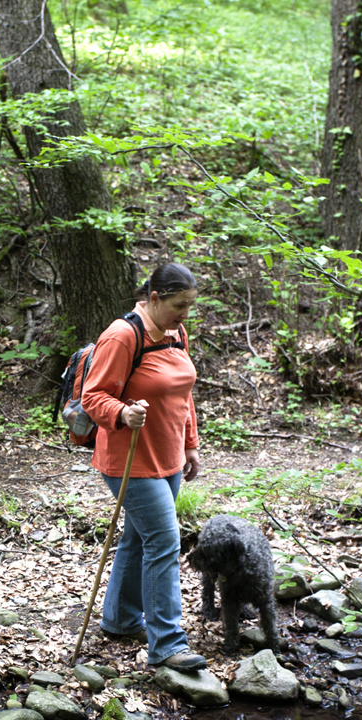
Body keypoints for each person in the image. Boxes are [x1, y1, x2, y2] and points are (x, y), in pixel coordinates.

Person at [81, 262, 206, 672]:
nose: (185, 314)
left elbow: (182, 394)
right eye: (179, 305)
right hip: (128, 461)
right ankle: (167, 644)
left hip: (167, 458)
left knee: (138, 540)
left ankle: (119, 620)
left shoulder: (176, 333)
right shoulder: (122, 336)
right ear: (154, 298)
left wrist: (190, 444)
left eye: (189, 305)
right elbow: (93, 396)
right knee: (164, 543)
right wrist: (122, 412)